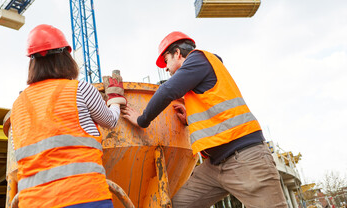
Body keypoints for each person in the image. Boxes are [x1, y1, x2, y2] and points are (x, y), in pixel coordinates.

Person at [122, 31, 288, 208]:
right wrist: (189, 119)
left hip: (245, 157)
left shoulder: (198, 59)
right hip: (215, 165)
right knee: (176, 205)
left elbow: (167, 91)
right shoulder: (198, 76)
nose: (165, 67)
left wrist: (142, 120)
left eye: (166, 60)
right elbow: (216, 111)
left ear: (177, 53)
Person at [10, 24, 126, 208]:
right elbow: (110, 121)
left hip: (34, 202)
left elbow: (20, 153)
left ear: (32, 64)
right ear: (65, 58)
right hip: (84, 197)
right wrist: (114, 100)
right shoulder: (80, 89)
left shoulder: (17, 107)